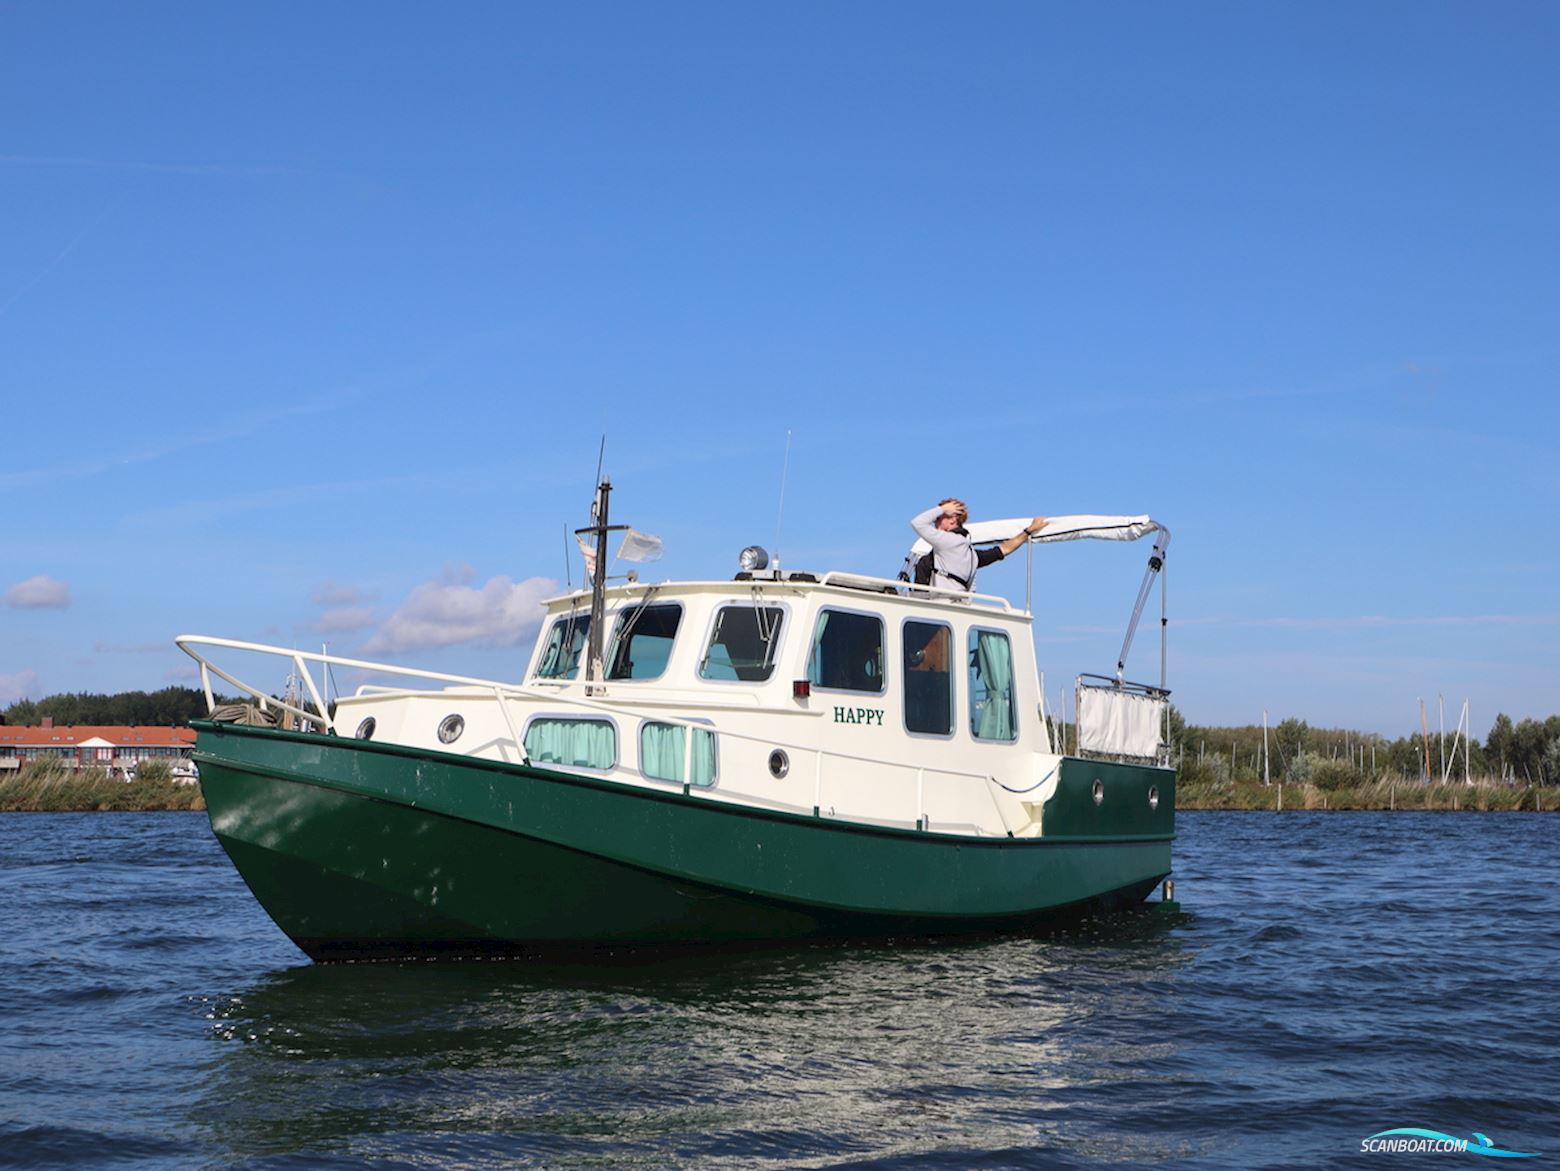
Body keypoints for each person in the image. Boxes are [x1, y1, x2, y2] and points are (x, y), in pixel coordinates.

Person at [909, 498, 1047, 594]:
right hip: (959, 606)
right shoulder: (970, 554)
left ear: (952, 519)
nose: (935, 522)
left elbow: (917, 523)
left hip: (940, 608)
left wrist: (942, 508)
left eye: (938, 517)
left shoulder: (947, 541)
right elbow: (1004, 549)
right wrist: (1028, 531)